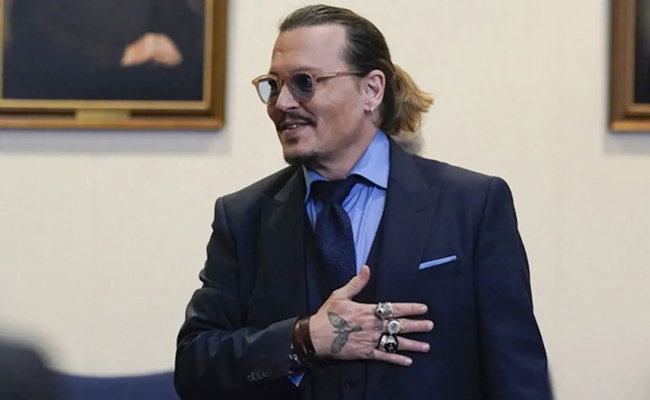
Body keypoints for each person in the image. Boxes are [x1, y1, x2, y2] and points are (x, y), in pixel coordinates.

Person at [174, 4, 553, 400]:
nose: (282, 103)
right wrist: (304, 338)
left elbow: (518, 376)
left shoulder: (472, 205)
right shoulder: (243, 217)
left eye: (304, 82)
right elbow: (195, 367)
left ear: (371, 90)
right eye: (273, 84)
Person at [3, 0, 203, 101]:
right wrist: (125, 54)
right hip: (59, 99)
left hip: (144, 99)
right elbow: (39, 38)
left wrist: (172, 45)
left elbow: (185, 25)